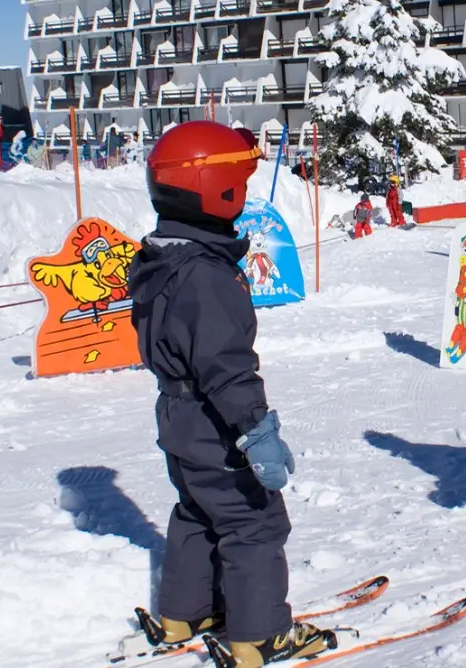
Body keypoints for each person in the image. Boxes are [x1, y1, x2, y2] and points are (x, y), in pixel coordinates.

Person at [129, 121, 334, 666]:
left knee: (197, 509)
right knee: (254, 521)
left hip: (175, 413)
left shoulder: (160, 256)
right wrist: (257, 431)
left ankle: (185, 612)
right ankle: (259, 635)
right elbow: (226, 367)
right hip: (211, 416)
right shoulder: (205, 276)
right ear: (219, 191)